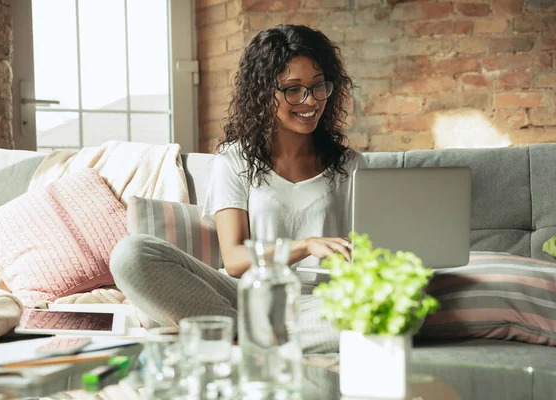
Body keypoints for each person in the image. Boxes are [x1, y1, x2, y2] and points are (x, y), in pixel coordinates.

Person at [110, 24, 365, 354]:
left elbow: (368, 252)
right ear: (263, 93)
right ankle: (256, 336)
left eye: (319, 87)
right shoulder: (235, 159)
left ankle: (237, 338)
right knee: (131, 255)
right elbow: (235, 260)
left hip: (321, 305)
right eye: (293, 89)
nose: (310, 101)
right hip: (243, 295)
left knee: (408, 304)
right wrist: (304, 246)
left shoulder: (352, 165)